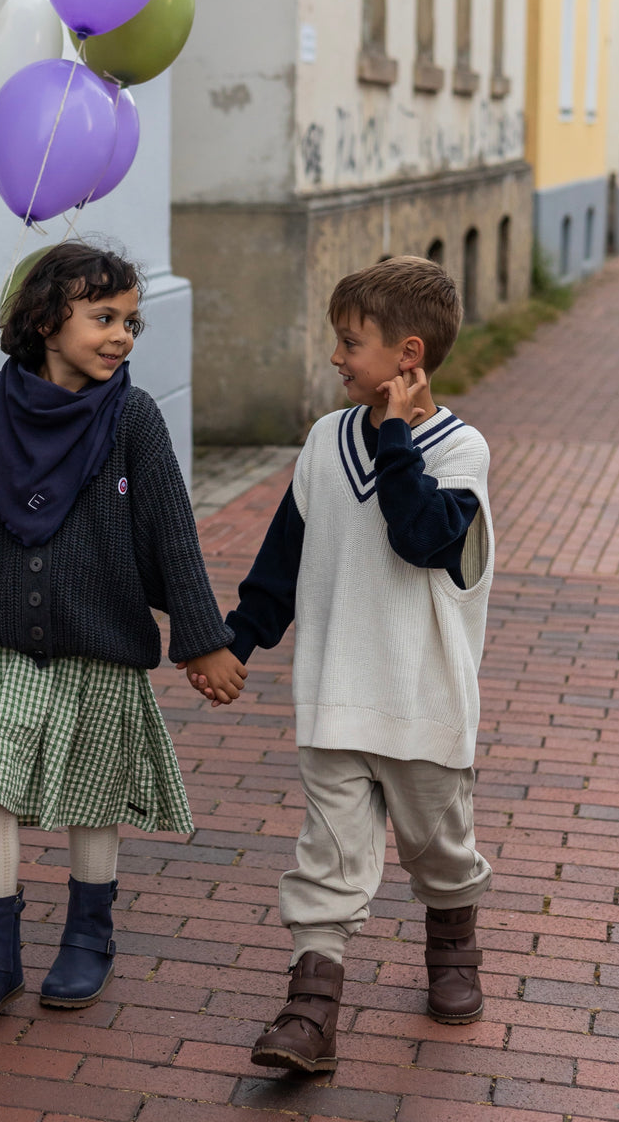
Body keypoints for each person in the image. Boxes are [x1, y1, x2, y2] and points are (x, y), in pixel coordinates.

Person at [0, 241, 247, 1034]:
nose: (122, 334)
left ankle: (89, 933)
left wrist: (203, 640)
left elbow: (173, 538)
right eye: (103, 317)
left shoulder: (134, 418)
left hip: (102, 644)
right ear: (48, 320)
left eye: (131, 321)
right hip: (8, 643)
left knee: (93, 793)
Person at [199, 255, 494, 1072]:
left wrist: (397, 435)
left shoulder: (464, 453)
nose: (336, 357)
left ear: (407, 355)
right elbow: (283, 559)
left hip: (424, 704)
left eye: (350, 343)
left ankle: (453, 949)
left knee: (439, 852)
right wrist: (238, 637)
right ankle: (310, 1010)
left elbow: (421, 535)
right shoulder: (326, 441)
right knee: (326, 859)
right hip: (333, 694)